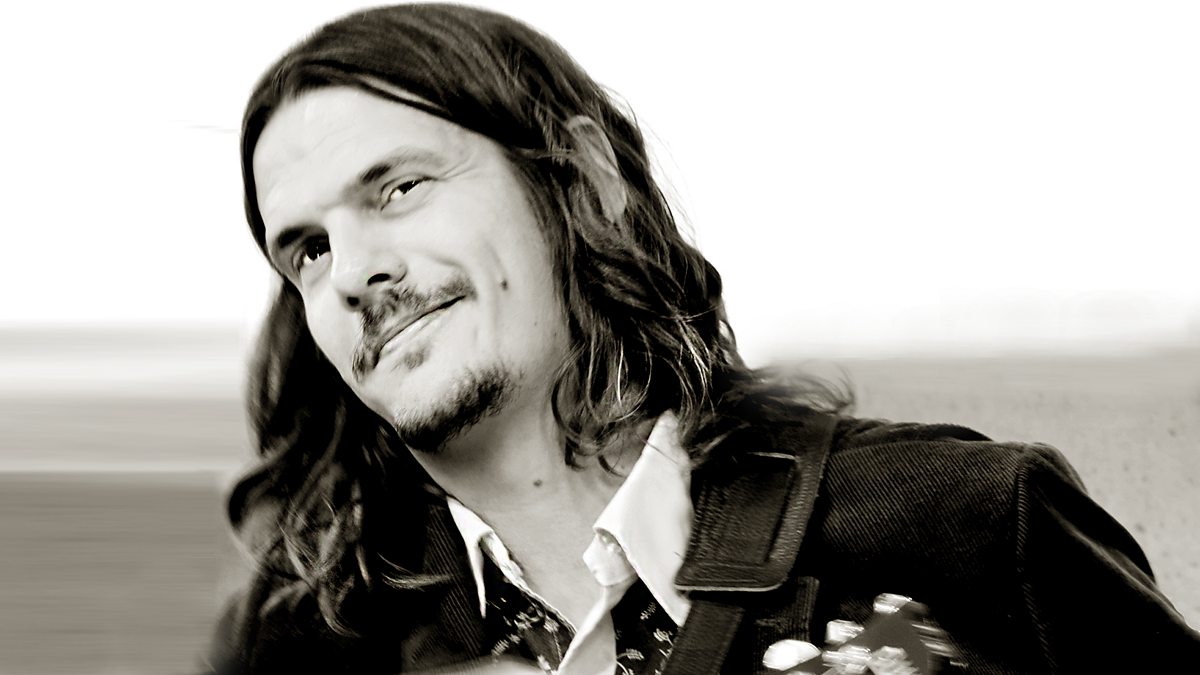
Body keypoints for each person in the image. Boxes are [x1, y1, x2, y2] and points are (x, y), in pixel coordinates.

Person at [206, 4, 1200, 673]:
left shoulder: (969, 523)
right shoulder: (297, 646)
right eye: (307, 250)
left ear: (584, 178)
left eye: (399, 188)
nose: (354, 272)